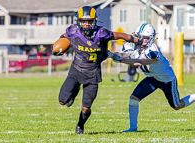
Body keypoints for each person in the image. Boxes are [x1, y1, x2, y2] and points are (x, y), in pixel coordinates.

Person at [52, 6, 143, 134]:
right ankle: (75, 89)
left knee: (85, 108)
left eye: (89, 21)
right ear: (79, 21)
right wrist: (57, 47)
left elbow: (119, 35)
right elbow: (64, 37)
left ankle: (80, 125)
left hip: (92, 73)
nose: (86, 24)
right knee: (63, 101)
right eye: (84, 21)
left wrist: (136, 40)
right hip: (76, 70)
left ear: (94, 21)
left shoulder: (102, 33)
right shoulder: (73, 31)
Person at [108, 23, 195, 132]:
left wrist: (122, 60)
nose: (143, 40)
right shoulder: (130, 45)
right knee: (133, 99)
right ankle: (133, 128)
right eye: (142, 37)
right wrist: (111, 54)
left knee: (177, 105)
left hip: (166, 79)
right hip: (152, 78)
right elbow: (124, 54)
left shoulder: (153, 50)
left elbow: (140, 62)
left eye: (147, 38)